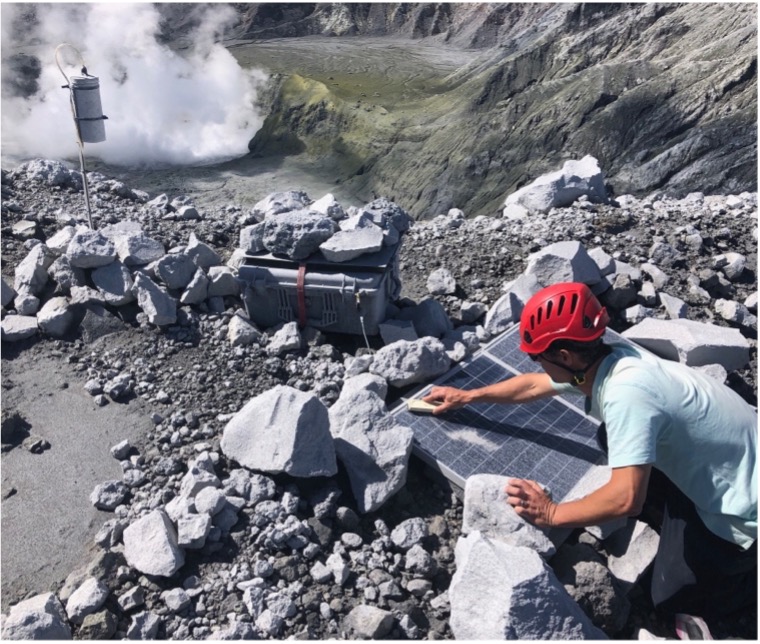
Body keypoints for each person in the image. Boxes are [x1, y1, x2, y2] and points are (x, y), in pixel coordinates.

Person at [423, 281, 757, 627]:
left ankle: (742, 579)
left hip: (742, 511)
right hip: (735, 463)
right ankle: (673, 515)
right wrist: (467, 397)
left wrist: (551, 513)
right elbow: (534, 385)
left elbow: (626, 499)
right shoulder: (610, 358)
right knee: (610, 437)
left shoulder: (627, 395)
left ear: (564, 356)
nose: (536, 365)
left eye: (536, 357)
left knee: (671, 602)